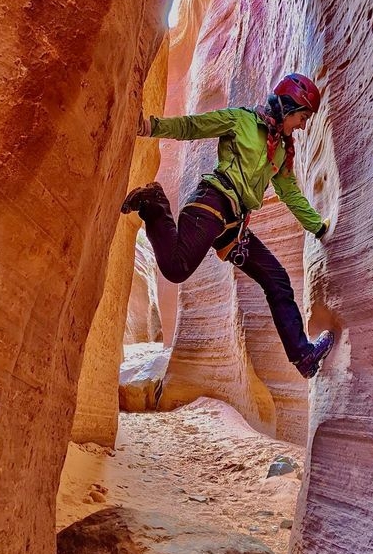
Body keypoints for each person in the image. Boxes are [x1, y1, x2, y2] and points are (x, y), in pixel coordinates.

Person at [121, 73, 335, 378]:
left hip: (233, 225)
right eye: (302, 117)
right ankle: (155, 203)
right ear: (288, 107)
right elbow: (193, 126)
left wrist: (318, 227)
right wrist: (151, 126)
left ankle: (303, 356)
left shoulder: (281, 150)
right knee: (177, 268)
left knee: (277, 279)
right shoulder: (241, 120)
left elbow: (290, 193)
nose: (302, 125)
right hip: (212, 201)